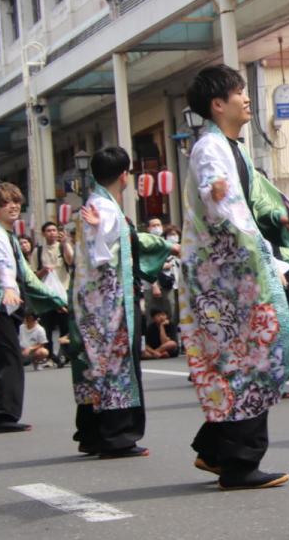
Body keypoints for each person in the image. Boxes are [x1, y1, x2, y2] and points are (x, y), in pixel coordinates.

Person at [181, 64, 289, 490]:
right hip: (227, 278)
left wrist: (285, 218)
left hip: (234, 273)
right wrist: (268, 261)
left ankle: (217, 451)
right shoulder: (210, 149)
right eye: (238, 92)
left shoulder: (231, 147)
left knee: (243, 363)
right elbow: (225, 205)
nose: (246, 98)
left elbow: (257, 200)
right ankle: (239, 464)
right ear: (217, 104)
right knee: (252, 362)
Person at [69, 146, 175, 459]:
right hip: (111, 302)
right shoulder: (105, 207)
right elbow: (104, 253)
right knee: (117, 364)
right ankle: (117, 436)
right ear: (125, 175)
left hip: (91, 300)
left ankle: (91, 433)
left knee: (93, 363)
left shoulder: (96, 203)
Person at [0, 182, 67, 432]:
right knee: (10, 359)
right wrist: (10, 287)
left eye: (16, 201)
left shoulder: (8, 235)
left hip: (7, 306)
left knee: (7, 358)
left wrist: (58, 299)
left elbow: (26, 274)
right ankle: (2, 415)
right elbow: (3, 264)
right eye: (6, 202)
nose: (13, 206)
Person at [36, 220, 74, 366]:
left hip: (63, 291)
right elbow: (34, 274)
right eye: (48, 231)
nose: (52, 233)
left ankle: (66, 354)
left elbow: (70, 261)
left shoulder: (63, 247)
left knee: (65, 325)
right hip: (46, 293)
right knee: (48, 326)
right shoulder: (38, 251)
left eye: (54, 230)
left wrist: (65, 243)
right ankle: (50, 355)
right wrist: (44, 270)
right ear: (43, 233)